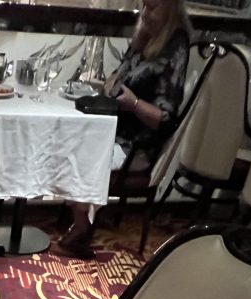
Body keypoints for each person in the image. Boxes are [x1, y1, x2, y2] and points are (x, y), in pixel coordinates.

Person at [60, 0, 192, 257]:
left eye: (153, 7)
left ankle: (81, 226)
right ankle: (82, 216)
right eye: (144, 6)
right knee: (70, 138)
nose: (145, 13)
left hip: (137, 144)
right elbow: (115, 79)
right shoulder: (143, 38)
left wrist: (134, 104)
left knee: (82, 153)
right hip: (113, 132)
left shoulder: (176, 45)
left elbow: (165, 119)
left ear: (170, 8)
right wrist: (112, 87)